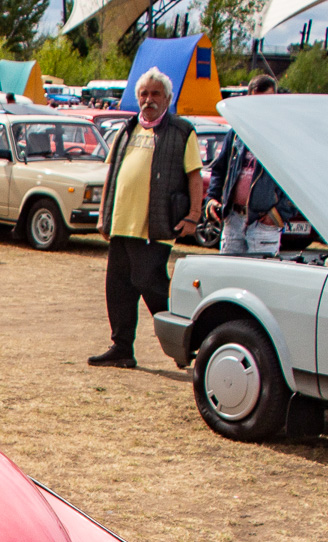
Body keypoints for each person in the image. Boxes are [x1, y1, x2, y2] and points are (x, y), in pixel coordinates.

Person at [90, 67, 202, 369]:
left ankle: (185, 344)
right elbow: (112, 176)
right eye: (144, 94)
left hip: (155, 227)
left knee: (151, 286)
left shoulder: (181, 131)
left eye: (155, 94)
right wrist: (104, 215)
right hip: (121, 225)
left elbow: (194, 176)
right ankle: (122, 348)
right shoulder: (126, 130)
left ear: (167, 98)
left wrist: (193, 216)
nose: (148, 100)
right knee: (118, 289)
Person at [205, 74, 293, 257]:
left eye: (266, 101)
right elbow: (219, 169)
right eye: (255, 101)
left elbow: (299, 182)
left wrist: (280, 213)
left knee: (260, 280)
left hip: (264, 224)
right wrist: (212, 199)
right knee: (228, 275)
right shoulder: (237, 133)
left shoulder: (284, 136)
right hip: (233, 219)